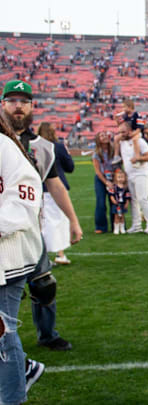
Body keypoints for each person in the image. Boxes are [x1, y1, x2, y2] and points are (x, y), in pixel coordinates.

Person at [2, 79, 80, 351]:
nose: (18, 107)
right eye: (12, 101)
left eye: (23, 102)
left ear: (32, 107)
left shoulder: (43, 147)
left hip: (30, 229)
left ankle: (48, 335)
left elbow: (55, 185)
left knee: (44, 285)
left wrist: (73, 220)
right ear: (3, 105)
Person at [0, 113, 45, 403]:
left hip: (8, 257)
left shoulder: (4, 147)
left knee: (3, 333)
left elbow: (26, 197)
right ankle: (25, 368)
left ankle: (12, 397)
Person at [37, 122, 75, 265]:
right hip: (57, 188)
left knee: (42, 222)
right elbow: (70, 167)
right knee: (58, 221)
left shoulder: (35, 147)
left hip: (39, 188)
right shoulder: (58, 147)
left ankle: (44, 256)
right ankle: (59, 254)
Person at [114, 121, 148, 234]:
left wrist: (138, 158)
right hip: (130, 174)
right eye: (119, 132)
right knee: (133, 200)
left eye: (123, 132)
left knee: (143, 199)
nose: (121, 134)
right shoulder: (122, 143)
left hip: (141, 173)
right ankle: (136, 225)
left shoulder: (140, 141)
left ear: (129, 130)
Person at [92, 131, 115, 233]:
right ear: (98, 139)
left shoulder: (113, 150)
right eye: (102, 135)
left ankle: (116, 225)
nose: (104, 136)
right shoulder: (96, 154)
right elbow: (97, 171)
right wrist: (106, 182)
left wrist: (115, 180)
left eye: (105, 134)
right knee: (101, 203)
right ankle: (100, 227)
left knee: (114, 201)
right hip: (101, 179)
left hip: (113, 178)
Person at [110, 169, 131, 234]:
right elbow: (111, 195)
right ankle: (116, 229)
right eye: (119, 177)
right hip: (116, 204)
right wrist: (113, 201)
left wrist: (127, 203)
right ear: (115, 178)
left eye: (122, 177)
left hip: (122, 204)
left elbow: (127, 197)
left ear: (125, 178)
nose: (120, 179)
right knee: (116, 216)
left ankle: (122, 228)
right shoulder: (114, 187)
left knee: (122, 216)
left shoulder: (126, 187)